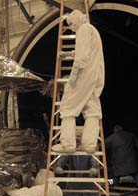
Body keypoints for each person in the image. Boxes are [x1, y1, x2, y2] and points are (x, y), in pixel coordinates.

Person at [52, 9, 105, 154]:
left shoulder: (83, 30)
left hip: (84, 75)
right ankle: (89, 144)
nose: (72, 28)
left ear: (76, 20)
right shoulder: (92, 30)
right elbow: (87, 51)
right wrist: (68, 54)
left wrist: (73, 78)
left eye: (71, 24)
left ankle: (67, 144)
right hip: (95, 75)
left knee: (68, 107)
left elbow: (81, 58)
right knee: (92, 110)